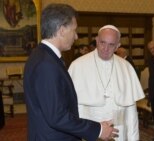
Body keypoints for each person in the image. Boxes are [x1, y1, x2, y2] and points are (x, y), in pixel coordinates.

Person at [23, 4, 118, 141]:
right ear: (61, 30)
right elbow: (57, 116)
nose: (76, 36)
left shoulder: (42, 56)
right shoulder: (46, 64)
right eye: (74, 30)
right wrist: (98, 130)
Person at [68, 25, 145, 141]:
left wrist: (134, 139)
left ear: (117, 46)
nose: (105, 48)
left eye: (111, 45)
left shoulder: (126, 68)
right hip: (90, 133)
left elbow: (131, 112)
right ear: (97, 40)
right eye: (102, 43)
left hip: (119, 133)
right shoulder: (77, 66)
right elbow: (73, 109)